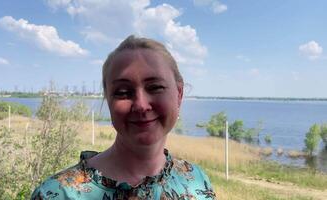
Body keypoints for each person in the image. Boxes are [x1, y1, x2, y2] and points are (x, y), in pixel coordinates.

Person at [31, 35, 216, 199]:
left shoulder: (197, 182)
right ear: (108, 100)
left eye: (155, 87)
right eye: (122, 92)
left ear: (179, 94)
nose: (141, 105)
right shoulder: (59, 194)